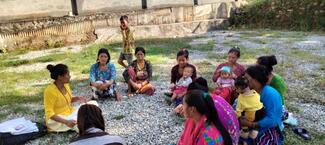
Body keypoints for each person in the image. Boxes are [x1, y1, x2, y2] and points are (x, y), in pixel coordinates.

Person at [240, 65, 283, 145]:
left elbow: (272, 119)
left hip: (269, 128)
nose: (244, 81)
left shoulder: (270, 94)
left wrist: (250, 124)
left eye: (246, 78)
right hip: (253, 124)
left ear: (255, 79)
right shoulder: (250, 91)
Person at [44, 64, 86, 132]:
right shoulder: (49, 91)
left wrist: (78, 98)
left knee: (92, 104)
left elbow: (67, 100)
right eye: (68, 74)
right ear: (60, 77)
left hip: (70, 113)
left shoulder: (66, 85)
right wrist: (66, 122)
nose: (70, 76)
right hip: (59, 119)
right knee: (80, 125)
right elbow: (49, 114)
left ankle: (79, 121)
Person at [234, 76, 264, 145]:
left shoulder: (241, 97)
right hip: (261, 112)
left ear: (239, 88)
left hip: (251, 115)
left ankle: (245, 132)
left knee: (241, 118)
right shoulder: (255, 92)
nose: (235, 90)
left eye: (236, 89)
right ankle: (254, 132)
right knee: (256, 121)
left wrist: (237, 116)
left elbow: (238, 111)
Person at [257, 55, 288, 120]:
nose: (255, 68)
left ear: (263, 68)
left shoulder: (277, 81)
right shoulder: (261, 77)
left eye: (257, 66)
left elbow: (279, 100)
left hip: (277, 108)